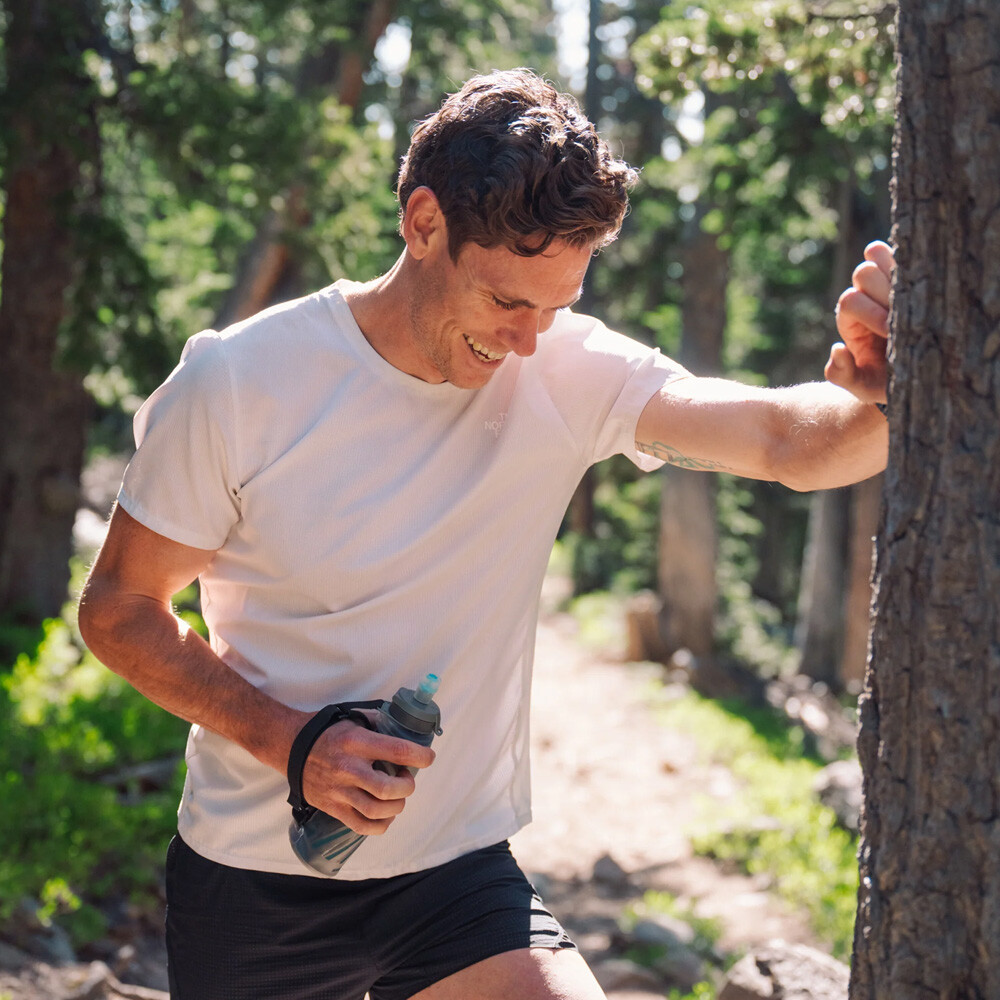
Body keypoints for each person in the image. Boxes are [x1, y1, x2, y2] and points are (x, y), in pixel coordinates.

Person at [79, 68, 892, 1000]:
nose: (528, 341)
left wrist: (884, 391)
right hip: (255, 889)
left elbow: (787, 441)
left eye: (558, 305)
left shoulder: (563, 367)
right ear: (424, 224)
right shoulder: (239, 383)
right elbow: (118, 610)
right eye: (509, 302)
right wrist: (288, 739)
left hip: (457, 881)